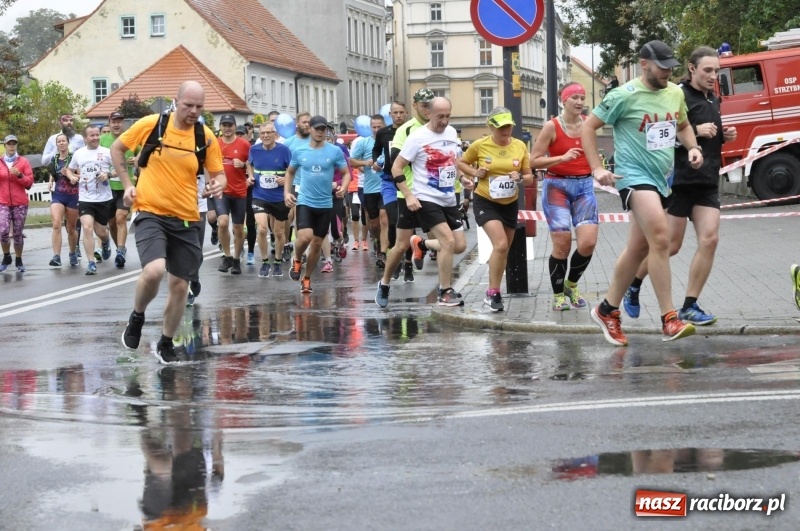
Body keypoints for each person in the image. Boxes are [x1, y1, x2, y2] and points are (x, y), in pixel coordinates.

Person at [582, 40, 704, 346]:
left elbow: (683, 125)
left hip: (662, 179)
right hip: (633, 177)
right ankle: (669, 318)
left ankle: (607, 310)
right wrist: (597, 167)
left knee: (638, 248)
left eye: (670, 67)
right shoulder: (623, 95)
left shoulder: (675, 92)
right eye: (662, 67)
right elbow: (588, 127)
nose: (667, 72)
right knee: (661, 238)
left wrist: (693, 148)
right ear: (644, 64)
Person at [621, 47, 737, 326]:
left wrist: (724, 135)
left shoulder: (713, 98)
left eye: (716, 71)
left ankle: (689, 305)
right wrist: (695, 131)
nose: (713, 76)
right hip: (678, 182)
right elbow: (658, 135)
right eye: (707, 70)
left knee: (710, 240)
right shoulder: (677, 94)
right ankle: (633, 284)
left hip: (707, 180)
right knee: (670, 246)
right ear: (692, 68)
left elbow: (709, 138)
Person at [114, 80, 225, 364]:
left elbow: (219, 174)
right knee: (154, 271)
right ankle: (137, 317)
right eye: (188, 105)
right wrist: (127, 185)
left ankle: (166, 342)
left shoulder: (204, 136)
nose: (194, 111)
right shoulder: (151, 125)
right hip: (150, 210)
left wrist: (218, 185)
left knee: (179, 285)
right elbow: (117, 149)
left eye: (199, 107)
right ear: (176, 102)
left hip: (187, 218)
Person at [375, 97, 471, 308]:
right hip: (424, 198)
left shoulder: (451, 133)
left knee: (459, 245)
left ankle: (421, 244)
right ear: (429, 114)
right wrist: (409, 195)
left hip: (447, 198)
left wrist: (463, 178)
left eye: (448, 116)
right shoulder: (416, 137)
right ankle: (441, 291)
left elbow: (453, 161)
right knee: (440, 242)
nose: (444, 121)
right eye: (440, 116)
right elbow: (396, 167)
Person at [530, 82, 598, 311]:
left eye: (582, 98)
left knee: (588, 243)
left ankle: (571, 285)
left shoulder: (589, 124)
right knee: (562, 244)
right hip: (556, 186)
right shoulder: (552, 126)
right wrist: (561, 158)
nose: (579, 102)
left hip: (584, 186)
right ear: (564, 100)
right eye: (574, 98)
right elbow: (534, 161)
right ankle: (558, 295)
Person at [459, 107, 533, 312]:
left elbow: (529, 177)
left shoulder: (520, 146)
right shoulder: (480, 145)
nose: (506, 130)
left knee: (503, 249)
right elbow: (461, 163)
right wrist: (475, 172)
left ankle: (493, 290)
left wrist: (520, 177)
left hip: (510, 203)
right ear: (491, 127)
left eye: (508, 126)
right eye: (501, 127)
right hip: (486, 201)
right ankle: (493, 293)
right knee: (500, 244)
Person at [284, 115, 350, 294]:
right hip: (305, 201)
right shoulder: (300, 151)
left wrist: (344, 187)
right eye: (317, 129)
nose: (320, 132)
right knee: (305, 237)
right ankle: (297, 259)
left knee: (316, 244)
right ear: (310, 129)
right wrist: (287, 193)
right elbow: (290, 172)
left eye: (323, 129)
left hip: (325, 204)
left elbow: (346, 173)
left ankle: (306, 278)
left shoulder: (334, 151)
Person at [68, 125, 115, 275]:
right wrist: (71, 176)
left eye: (97, 135)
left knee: (101, 231)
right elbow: (69, 169)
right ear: (85, 138)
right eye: (92, 135)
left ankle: (106, 242)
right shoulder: (79, 154)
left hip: (103, 198)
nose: (95, 138)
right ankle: (91, 263)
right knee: (87, 227)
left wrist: (108, 174)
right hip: (85, 198)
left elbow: (118, 169)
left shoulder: (107, 152)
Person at [248, 122, 292, 278]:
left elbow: (292, 170)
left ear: (275, 134)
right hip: (260, 195)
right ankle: (265, 262)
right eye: (262, 133)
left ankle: (278, 262)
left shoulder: (284, 150)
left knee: (279, 232)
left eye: (268, 133)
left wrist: (285, 179)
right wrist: (250, 176)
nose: (265, 136)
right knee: (261, 228)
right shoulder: (254, 149)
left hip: (279, 197)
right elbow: (249, 164)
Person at [373, 101, 411, 281]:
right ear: (390, 114)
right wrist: (376, 162)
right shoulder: (383, 132)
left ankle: (409, 262)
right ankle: (396, 261)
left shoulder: (412, 131)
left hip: (407, 180)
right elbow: (376, 150)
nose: (398, 115)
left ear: (406, 113)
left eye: (401, 112)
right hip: (388, 181)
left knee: (407, 223)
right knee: (392, 220)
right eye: (395, 113)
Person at [100, 111, 137, 268]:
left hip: (125, 186)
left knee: (120, 217)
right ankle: (118, 248)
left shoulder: (130, 138)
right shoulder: (102, 140)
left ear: (123, 123)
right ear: (109, 123)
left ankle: (120, 251)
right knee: (112, 222)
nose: (116, 124)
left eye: (119, 121)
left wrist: (137, 158)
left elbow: (145, 151)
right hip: (107, 188)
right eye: (113, 121)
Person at [215, 115, 251, 275]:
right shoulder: (215, 143)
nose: (227, 128)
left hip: (239, 191)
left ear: (235, 126)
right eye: (224, 125)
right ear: (220, 127)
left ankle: (236, 259)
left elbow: (251, 164)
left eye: (230, 125)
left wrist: (243, 165)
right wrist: (210, 182)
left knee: (238, 228)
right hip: (222, 191)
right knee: (222, 223)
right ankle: (227, 256)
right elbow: (208, 164)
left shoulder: (244, 144)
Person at [350, 115, 386, 265]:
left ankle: (384, 252)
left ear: (384, 126)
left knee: (385, 219)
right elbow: (352, 161)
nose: (376, 130)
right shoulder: (363, 142)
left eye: (379, 127)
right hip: (370, 189)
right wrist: (366, 163)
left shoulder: (389, 141)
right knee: (375, 224)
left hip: (386, 187)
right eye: (374, 127)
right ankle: (378, 241)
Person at [0, 135, 34, 273]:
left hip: (20, 202)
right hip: (2, 202)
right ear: (5, 145)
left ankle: (19, 260)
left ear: (16, 145)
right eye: (9, 143)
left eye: (14, 143)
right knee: (3, 231)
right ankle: (6, 257)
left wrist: (20, 175)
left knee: (18, 233)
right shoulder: (0, 161)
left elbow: (29, 183)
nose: (11, 146)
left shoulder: (23, 162)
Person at [46, 133, 79, 267]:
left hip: (73, 195)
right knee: (56, 224)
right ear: (56, 144)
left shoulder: (74, 158)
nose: (61, 143)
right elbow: (53, 172)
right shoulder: (54, 159)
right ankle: (56, 256)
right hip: (58, 195)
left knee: (71, 228)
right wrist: (50, 181)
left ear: (68, 142)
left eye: (63, 141)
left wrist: (72, 175)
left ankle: (73, 252)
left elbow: (82, 175)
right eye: (59, 141)